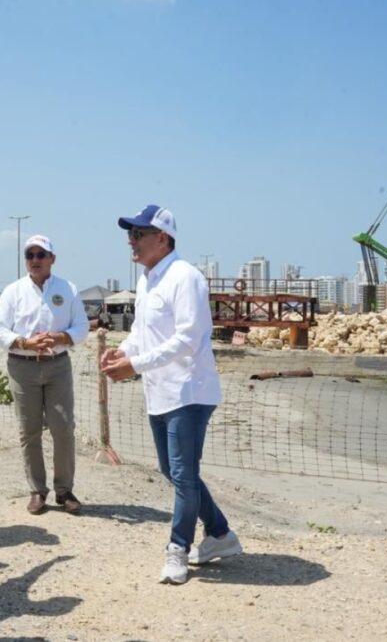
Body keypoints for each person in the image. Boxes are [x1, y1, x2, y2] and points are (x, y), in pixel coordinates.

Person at [100, 204, 242, 585]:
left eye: (138, 234)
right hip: (160, 391)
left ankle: (178, 547)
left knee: (182, 473)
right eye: (129, 234)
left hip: (189, 391)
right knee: (174, 471)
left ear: (161, 238)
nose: (130, 241)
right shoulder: (148, 280)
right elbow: (143, 333)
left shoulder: (185, 277)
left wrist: (135, 364)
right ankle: (220, 534)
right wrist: (122, 351)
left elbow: (187, 339)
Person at [0, 234, 89, 515]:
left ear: (52, 259)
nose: (35, 260)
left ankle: (64, 490)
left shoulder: (68, 289)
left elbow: (82, 327)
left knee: (63, 428)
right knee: (29, 431)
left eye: (41, 254)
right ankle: (37, 490)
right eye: (30, 255)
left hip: (58, 365)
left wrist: (60, 337)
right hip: (22, 367)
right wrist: (25, 342)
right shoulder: (13, 291)